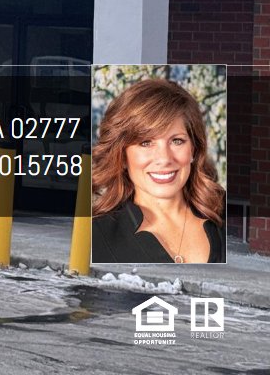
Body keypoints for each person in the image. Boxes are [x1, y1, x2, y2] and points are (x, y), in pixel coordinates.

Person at [92, 77, 226, 264]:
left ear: (194, 149)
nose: (164, 159)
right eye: (146, 143)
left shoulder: (231, 219)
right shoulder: (94, 237)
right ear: (121, 155)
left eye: (177, 141)